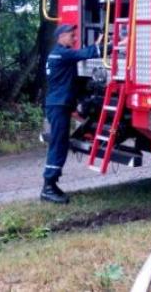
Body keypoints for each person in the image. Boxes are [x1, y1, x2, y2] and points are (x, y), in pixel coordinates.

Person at [41, 24, 102, 204]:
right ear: (61, 37)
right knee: (58, 145)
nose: (74, 38)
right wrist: (115, 44)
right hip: (58, 105)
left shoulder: (57, 54)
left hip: (59, 104)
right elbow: (86, 54)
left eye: (75, 35)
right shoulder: (61, 54)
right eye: (71, 35)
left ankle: (52, 184)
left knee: (60, 143)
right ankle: (48, 187)